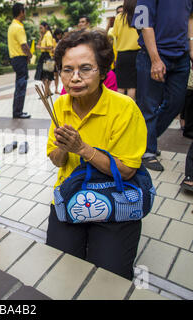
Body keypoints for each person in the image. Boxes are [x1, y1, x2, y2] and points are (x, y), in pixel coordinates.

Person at [46, 30, 147, 280]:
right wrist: (63, 148)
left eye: (85, 68)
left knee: (111, 276)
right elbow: (56, 159)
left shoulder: (125, 108)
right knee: (62, 267)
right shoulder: (59, 105)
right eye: (67, 70)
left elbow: (127, 171)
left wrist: (84, 149)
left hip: (115, 195)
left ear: (103, 72)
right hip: (71, 195)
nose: (75, 78)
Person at [132, 0, 193, 171]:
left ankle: (145, 139)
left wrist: (191, 48)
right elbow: (144, 23)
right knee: (149, 105)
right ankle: (147, 151)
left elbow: (190, 18)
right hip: (153, 54)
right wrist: (155, 59)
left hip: (181, 55)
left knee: (177, 102)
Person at [8, 2, 33, 119]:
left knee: (19, 85)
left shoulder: (12, 26)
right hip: (20, 59)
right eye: (24, 11)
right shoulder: (18, 27)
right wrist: (30, 54)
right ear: (21, 12)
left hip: (15, 59)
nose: (25, 13)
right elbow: (24, 45)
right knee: (21, 85)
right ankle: (18, 112)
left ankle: (17, 111)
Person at [112, 0, 140, 101]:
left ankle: (121, 110)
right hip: (137, 54)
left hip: (122, 55)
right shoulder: (140, 15)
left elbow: (115, 35)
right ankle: (130, 110)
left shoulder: (119, 17)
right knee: (132, 86)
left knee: (121, 86)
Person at [35, 22, 55, 97]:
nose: (40, 30)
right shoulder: (45, 35)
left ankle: (46, 93)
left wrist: (41, 48)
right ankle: (48, 92)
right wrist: (41, 36)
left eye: (41, 28)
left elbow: (50, 47)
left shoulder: (48, 35)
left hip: (48, 56)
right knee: (41, 76)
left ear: (46, 27)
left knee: (47, 76)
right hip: (43, 56)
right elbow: (38, 44)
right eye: (39, 28)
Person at [53, 28, 64, 95]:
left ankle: (57, 89)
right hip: (54, 60)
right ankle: (55, 89)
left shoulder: (61, 41)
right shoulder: (55, 41)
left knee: (57, 75)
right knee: (53, 75)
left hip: (57, 60)